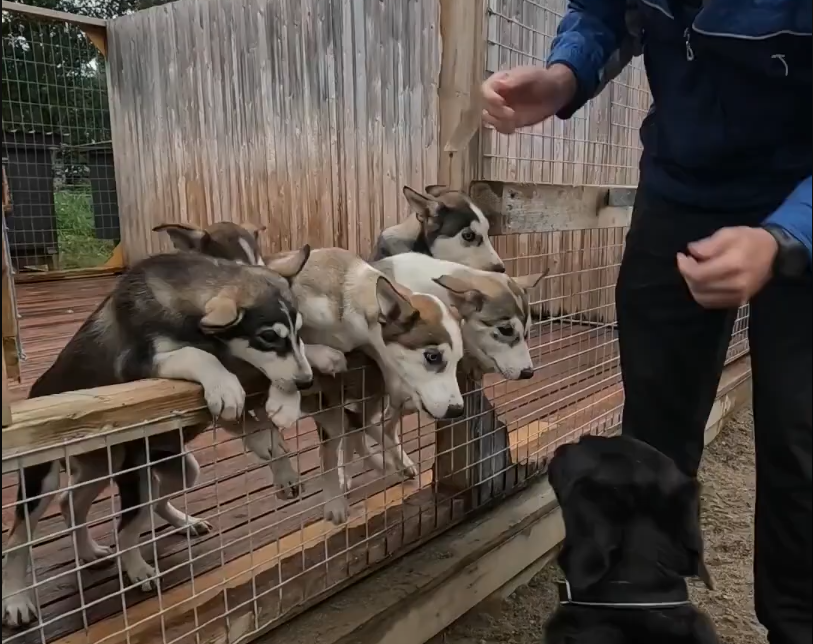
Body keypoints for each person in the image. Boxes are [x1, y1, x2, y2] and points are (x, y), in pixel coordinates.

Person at [480, 2, 811, 644]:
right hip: (683, 186)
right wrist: (562, 76)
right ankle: (639, 617)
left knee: (801, 434)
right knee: (652, 433)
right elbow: (605, 11)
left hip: (801, 184)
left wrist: (785, 239)